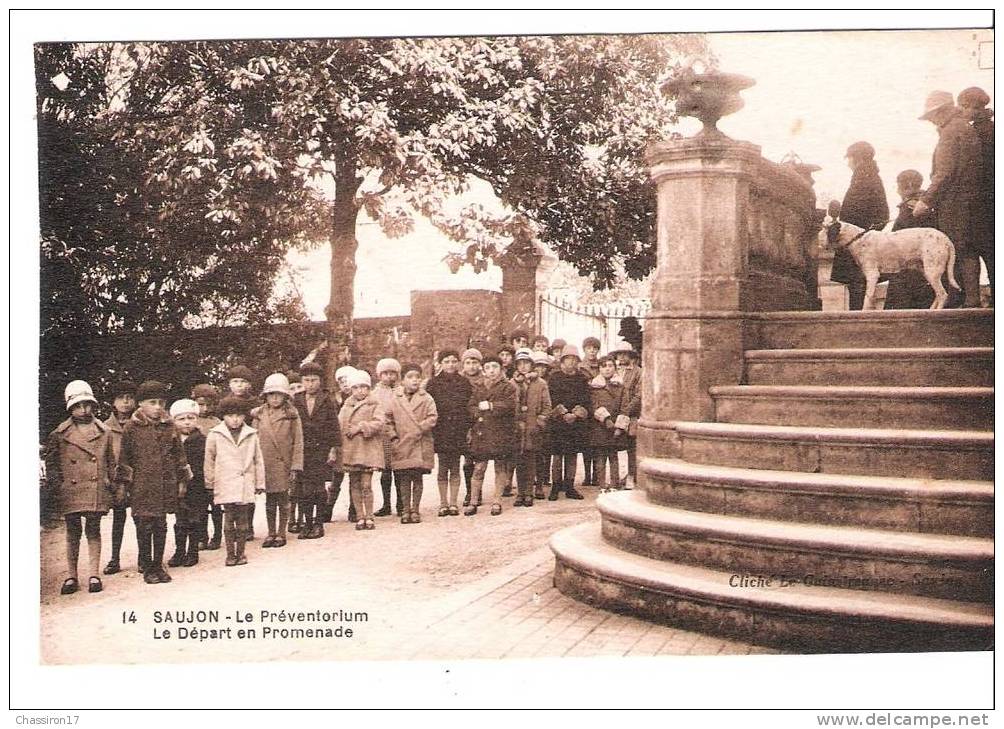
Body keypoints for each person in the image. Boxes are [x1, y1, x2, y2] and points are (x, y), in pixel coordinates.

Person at [44, 380, 115, 595]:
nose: (83, 410)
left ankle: (94, 574)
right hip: (71, 490)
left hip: (95, 489)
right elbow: (52, 464)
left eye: (87, 404)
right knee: (73, 532)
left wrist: (113, 484)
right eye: (77, 406)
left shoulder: (104, 432)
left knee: (93, 530)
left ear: (93, 405)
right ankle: (71, 576)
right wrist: (58, 485)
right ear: (70, 408)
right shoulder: (59, 434)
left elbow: (111, 462)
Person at [116, 380, 189, 585]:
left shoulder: (169, 426)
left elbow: (179, 456)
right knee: (144, 526)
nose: (157, 407)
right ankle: (147, 566)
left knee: (161, 525)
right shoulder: (132, 427)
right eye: (152, 402)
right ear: (140, 404)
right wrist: (123, 486)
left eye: (161, 403)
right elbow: (125, 458)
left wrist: (182, 481)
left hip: (166, 483)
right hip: (142, 486)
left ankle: (158, 564)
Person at [914, 90, 982, 308]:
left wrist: (925, 201)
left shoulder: (950, 132)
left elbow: (944, 172)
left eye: (932, 116)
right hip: (970, 199)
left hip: (955, 202)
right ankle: (971, 297)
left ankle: (970, 299)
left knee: (960, 247)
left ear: (942, 112)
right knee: (968, 248)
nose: (932, 121)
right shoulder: (964, 127)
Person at [204, 396, 265, 567]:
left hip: (245, 481)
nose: (235, 419)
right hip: (225, 481)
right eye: (230, 415)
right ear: (223, 416)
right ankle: (230, 554)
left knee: (243, 519)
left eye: (239, 415)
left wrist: (260, 482)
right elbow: (209, 460)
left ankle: (241, 553)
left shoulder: (251, 434)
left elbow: (258, 459)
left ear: (245, 416)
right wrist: (210, 482)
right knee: (229, 517)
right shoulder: (215, 434)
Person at [829, 141, 889, 310]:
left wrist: (862, 236)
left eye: (849, 158)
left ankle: (857, 318)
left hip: (856, 242)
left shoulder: (864, 178)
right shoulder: (869, 177)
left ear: (857, 158)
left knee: (858, 284)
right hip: (857, 240)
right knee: (859, 284)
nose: (848, 162)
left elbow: (880, 215)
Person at [252, 373, 304, 545]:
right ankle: (271, 532)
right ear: (265, 396)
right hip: (265, 463)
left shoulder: (291, 415)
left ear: (285, 396)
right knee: (269, 501)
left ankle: (281, 532)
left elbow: (298, 442)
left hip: (283, 462)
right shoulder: (258, 416)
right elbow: (252, 440)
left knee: (283, 499)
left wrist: (296, 466)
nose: (274, 398)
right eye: (271, 394)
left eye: (279, 394)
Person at [292, 362, 341, 537]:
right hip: (303, 450)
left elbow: (334, 425)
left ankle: (319, 523)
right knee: (304, 489)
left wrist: (334, 449)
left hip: (322, 449)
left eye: (314, 380)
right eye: (306, 380)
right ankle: (307, 522)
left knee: (319, 488)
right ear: (302, 381)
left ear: (320, 381)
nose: (310, 384)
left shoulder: (327, 399)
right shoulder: (296, 399)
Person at [465, 355, 518, 516]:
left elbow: (510, 405)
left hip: (500, 432)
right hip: (482, 432)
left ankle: (497, 501)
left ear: (501, 369)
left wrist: (491, 405)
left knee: (500, 467)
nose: (491, 371)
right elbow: (471, 406)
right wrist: (477, 412)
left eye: (494, 367)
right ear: (484, 370)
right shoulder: (479, 387)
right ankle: (474, 502)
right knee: (479, 467)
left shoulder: (508, 387)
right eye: (487, 367)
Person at [386, 363, 438, 524]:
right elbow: (388, 420)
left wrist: (419, 428)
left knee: (417, 477)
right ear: (402, 380)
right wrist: (394, 437)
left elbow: (432, 417)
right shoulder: (395, 398)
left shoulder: (426, 397)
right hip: (402, 443)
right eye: (410, 377)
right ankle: (405, 510)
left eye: (417, 377)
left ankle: (415, 509)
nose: (415, 380)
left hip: (419, 442)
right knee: (404, 478)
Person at [958, 86, 994, 304]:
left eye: (963, 107)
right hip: (991, 203)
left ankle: (973, 302)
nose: (962, 111)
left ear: (972, 107)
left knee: (970, 250)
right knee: (992, 254)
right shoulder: (992, 129)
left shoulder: (974, 134)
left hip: (978, 204)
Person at [425, 349, 472, 517]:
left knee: (456, 467)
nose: (451, 365)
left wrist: (468, 428)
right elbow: (428, 407)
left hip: (459, 430)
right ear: (440, 364)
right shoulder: (433, 384)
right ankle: (443, 503)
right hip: (441, 430)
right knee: (443, 467)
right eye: (447, 361)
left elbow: (469, 407)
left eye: (453, 361)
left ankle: (453, 503)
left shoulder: (464, 383)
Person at [339, 369, 386, 531]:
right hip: (352, 451)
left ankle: (369, 516)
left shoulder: (374, 404)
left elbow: (379, 423)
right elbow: (341, 425)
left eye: (364, 387)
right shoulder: (346, 406)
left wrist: (360, 427)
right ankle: (360, 516)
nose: (360, 391)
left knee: (366, 484)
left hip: (367, 450)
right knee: (354, 484)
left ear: (369, 388)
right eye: (356, 387)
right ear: (351, 389)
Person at [884, 170, 938, 309]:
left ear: (907, 186)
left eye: (898, 186)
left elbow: (898, 239)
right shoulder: (925, 205)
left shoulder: (908, 209)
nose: (897, 190)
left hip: (908, 274)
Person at [547, 345, 591, 500]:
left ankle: (570, 486)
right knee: (558, 456)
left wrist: (576, 414)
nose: (571, 362)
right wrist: (562, 412)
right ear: (562, 361)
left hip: (575, 423)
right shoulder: (554, 378)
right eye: (568, 359)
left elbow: (586, 400)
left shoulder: (582, 379)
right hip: (558, 423)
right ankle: (555, 486)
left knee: (572, 455)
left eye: (574, 359)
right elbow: (550, 399)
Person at [167, 399, 208, 568]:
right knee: (180, 520)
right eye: (181, 419)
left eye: (190, 418)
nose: (186, 422)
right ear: (174, 421)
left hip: (196, 485)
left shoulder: (202, 440)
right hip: (177, 485)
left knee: (194, 518)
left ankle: (193, 551)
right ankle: (179, 551)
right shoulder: (170, 440)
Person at [102, 379, 135, 576]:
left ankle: (144, 558)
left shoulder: (141, 423)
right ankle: (115, 558)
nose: (125, 402)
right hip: (117, 481)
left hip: (139, 479)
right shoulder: (105, 427)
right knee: (118, 519)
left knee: (143, 520)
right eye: (120, 398)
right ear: (113, 402)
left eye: (129, 398)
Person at [513, 348, 551, 507]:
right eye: (520, 364)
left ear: (532, 365)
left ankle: (529, 492)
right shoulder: (512, 383)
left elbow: (547, 406)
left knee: (531, 461)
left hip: (533, 428)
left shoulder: (540, 384)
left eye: (526, 363)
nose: (523, 367)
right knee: (519, 461)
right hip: (517, 429)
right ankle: (520, 492)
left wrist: (539, 422)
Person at [225, 365, 259, 539]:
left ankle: (247, 526)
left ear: (249, 385)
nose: (239, 385)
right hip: (230, 448)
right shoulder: (225, 403)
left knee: (248, 488)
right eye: (235, 381)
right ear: (230, 384)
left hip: (248, 446)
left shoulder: (254, 403)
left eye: (243, 382)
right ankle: (232, 526)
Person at [320, 365, 357, 524]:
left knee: (354, 477)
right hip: (339, 442)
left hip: (355, 441)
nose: (345, 384)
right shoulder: (334, 400)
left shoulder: (359, 399)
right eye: (342, 381)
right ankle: (328, 509)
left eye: (348, 380)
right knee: (336, 477)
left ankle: (354, 509)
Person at [588, 356, 627, 492]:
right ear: (599, 369)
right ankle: (602, 485)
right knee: (600, 456)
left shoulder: (620, 386)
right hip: (600, 426)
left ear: (615, 368)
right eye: (604, 366)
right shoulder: (594, 387)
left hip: (616, 426)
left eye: (610, 366)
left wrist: (619, 425)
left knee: (613, 455)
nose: (607, 369)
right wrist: (606, 420)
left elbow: (625, 406)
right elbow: (594, 405)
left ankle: (614, 483)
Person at [191, 383, 223, 550]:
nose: (204, 408)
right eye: (200, 404)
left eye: (208, 405)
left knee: (216, 505)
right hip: (197, 470)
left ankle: (217, 536)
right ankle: (202, 536)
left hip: (215, 469)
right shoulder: (191, 421)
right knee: (200, 506)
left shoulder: (217, 422)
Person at [372, 358, 403, 517]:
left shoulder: (401, 391)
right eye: (386, 373)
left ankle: (401, 503)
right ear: (380, 375)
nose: (389, 377)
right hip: (382, 436)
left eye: (392, 373)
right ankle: (386, 503)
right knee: (385, 471)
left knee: (399, 470)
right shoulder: (375, 393)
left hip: (399, 434)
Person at [612, 341, 642, 488]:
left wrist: (626, 411)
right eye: (619, 354)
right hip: (615, 413)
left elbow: (639, 395)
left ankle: (631, 475)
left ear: (631, 356)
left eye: (625, 354)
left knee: (631, 446)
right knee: (614, 444)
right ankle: (615, 477)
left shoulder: (638, 372)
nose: (622, 357)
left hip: (631, 415)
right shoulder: (613, 370)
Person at [460, 348, 484, 507]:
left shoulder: (485, 380)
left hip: (481, 422)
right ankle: (470, 491)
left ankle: (477, 492)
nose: (471, 366)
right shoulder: (460, 380)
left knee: (480, 459)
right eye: (468, 363)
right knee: (468, 459)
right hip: (464, 422)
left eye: (474, 362)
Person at [579, 336, 603, 487]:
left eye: (595, 348)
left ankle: (597, 475)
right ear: (585, 350)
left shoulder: (602, 365)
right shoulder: (581, 367)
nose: (592, 351)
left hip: (600, 405)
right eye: (589, 348)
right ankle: (588, 475)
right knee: (586, 444)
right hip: (586, 406)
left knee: (598, 444)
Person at [530, 351, 554, 500]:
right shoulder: (527, 380)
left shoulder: (548, 381)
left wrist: (542, 418)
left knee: (541, 453)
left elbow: (548, 404)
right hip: (528, 421)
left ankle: (540, 482)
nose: (540, 369)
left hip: (543, 422)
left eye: (543, 366)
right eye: (537, 366)